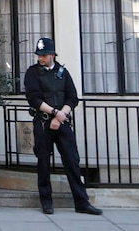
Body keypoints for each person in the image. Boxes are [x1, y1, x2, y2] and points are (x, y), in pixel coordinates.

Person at [23, 37, 102, 216]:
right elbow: (34, 98)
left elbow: (72, 97)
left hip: (62, 121)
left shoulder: (62, 72)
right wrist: (54, 113)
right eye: (38, 55)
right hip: (43, 121)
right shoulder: (32, 73)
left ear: (52, 54)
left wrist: (61, 116)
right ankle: (46, 201)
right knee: (43, 161)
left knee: (72, 160)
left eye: (43, 55)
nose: (40, 59)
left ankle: (82, 202)